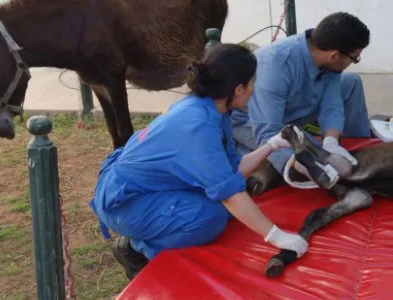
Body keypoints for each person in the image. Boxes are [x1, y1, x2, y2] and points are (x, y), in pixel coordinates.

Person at [89, 44, 309, 280]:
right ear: (238, 89)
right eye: (253, 82)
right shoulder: (198, 126)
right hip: (126, 203)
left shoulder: (213, 109)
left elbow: (233, 171)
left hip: (146, 188)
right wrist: (277, 237)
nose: (255, 89)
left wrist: (271, 145)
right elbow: (230, 195)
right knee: (210, 218)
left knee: (227, 209)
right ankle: (135, 248)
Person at [230, 11, 372, 190]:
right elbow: (267, 132)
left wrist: (331, 142)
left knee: (351, 82)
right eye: (354, 58)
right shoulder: (274, 67)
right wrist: (306, 165)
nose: (353, 62)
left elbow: (331, 106)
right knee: (314, 156)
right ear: (334, 56)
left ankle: (359, 149)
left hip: (293, 110)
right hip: (251, 122)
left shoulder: (325, 55)